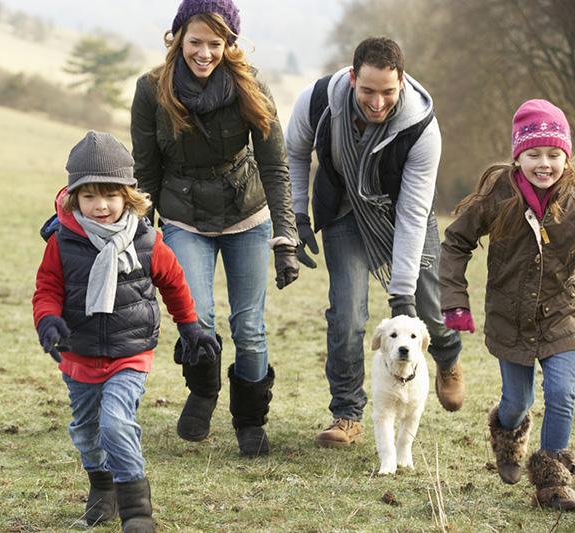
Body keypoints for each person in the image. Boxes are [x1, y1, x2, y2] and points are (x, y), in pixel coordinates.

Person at [130, 0, 300, 457]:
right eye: (196, 42)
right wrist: (141, 241)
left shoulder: (250, 85)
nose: (204, 53)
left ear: (229, 45)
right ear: (178, 37)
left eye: (215, 44)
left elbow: (275, 166)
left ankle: (249, 419)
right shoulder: (151, 90)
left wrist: (285, 237)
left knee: (250, 326)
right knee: (197, 317)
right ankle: (203, 392)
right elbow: (145, 174)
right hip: (184, 215)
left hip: (246, 214)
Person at [32, 131, 220, 532]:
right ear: (73, 198)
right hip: (77, 354)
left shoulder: (148, 241)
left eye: (111, 195)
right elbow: (46, 289)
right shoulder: (62, 242)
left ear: (128, 195)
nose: (101, 206)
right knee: (86, 432)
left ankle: (137, 513)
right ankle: (103, 489)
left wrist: (191, 327)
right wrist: (48, 321)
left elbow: (173, 282)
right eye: (89, 196)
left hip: (129, 354)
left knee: (116, 422)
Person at [285, 37, 464, 448]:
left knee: (427, 313)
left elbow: (414, 214)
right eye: (367, 91)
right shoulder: (318, 101)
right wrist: (295, 215)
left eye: (388, 91)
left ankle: (448, 355)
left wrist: (402, 296)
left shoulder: (422, 127)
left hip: (402, 215)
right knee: (347, 316)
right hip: (345, 214)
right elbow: (294, 152)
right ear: (352, 79)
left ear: (402, 81)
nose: (378, 102)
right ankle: (346, 414)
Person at [440, 99, 575, 510]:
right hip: (509, 319)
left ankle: (553, 479)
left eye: (554, 155)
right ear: (518, 156)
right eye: (534, 155)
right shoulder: (497, 195)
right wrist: (455, 303)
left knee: (563, 392)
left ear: (566, 156)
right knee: (518, 401)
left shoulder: (571, 198)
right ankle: (507, 432)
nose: (545, 164)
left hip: (561, 316)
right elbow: (455, 243)